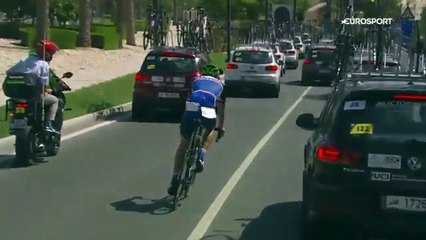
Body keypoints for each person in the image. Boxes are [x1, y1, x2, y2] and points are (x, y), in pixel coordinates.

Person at [167, 64, 226, 196]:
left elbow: (188, 101)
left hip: (192, 109)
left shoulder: (195, 81)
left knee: (183, 144)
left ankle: (175, 178)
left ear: (201, 73)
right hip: (208, 112)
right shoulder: (221, 86)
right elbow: (221, 110)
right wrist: (221, 127)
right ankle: (201, 155)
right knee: (210, 131)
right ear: (216, 76)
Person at [13, 40, 59, 132]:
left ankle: (14, 123)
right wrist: (47, 90)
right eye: (51, 53)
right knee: (54, 100)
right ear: (46, 53)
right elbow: (44, 85)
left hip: (19, 94)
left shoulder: (24, 60)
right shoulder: (43, 64)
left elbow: (11, 71)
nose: (51, 56)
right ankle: (48, 124)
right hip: (34, 96)